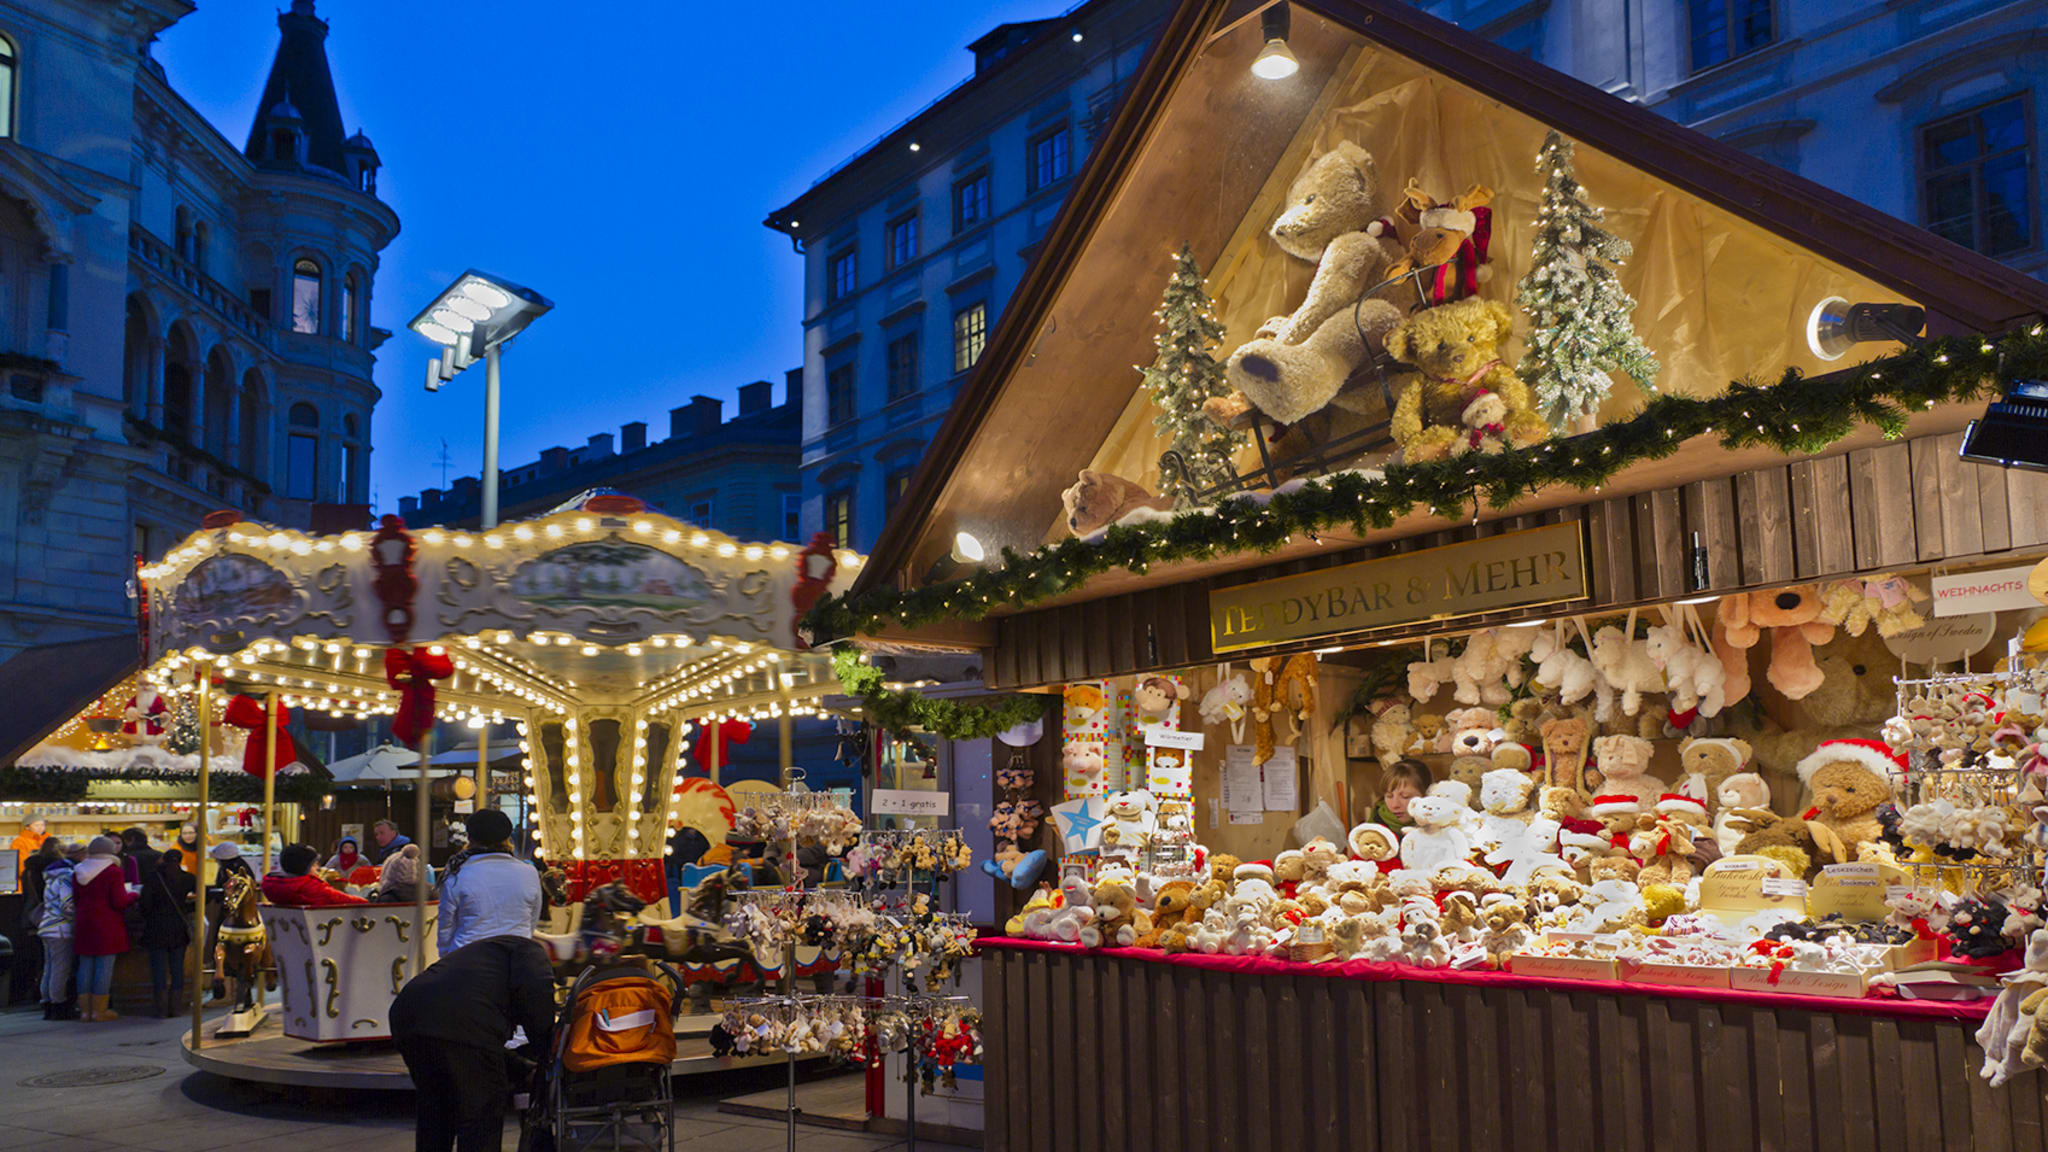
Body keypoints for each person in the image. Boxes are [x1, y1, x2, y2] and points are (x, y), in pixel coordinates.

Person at [389, 934, 555, 1152]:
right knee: (482, 1111)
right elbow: (539, 1014)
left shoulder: (490, 954)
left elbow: (473, 1051)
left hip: (408, 1014)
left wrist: (523, 1068)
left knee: (436, 1108)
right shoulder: (533, 953)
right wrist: (548, 1057)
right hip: (460, 1020)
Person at [436, 810, 542, 955]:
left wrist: (446, 957)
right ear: (508, 837)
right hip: (516, 956)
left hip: (468, 956)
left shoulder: (457, 874)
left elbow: (446, 926)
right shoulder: (529, 872)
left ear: (470, 838)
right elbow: (532, 920)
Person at [72, 836, 136, 1022]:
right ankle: (99, 1011)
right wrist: (133, 895)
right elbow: (119, 901)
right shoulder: (113, 871)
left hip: (84, 921)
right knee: (104, 966)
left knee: (85, 966)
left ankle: (85, 1011)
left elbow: (76, 899)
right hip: (107, 923)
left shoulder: (77, 871)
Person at [140, 847, 195, 1016]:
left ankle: (161, 1008)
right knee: (177, 968)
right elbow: (202, 898)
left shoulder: (153, 878)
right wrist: (186, 907)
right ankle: (176, 1008)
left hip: (156, 928)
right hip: (178, 927)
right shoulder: (188, 878)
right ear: (180, 860)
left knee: (158, 969)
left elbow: (145, 905)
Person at [35, 842, 82, 1020]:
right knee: (61, 969)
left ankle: (47, 1002)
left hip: (47, 926)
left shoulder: (50, 879)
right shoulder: (66, 878)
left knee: (49, 967)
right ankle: (59, 1004)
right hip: (61, 929)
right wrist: (74, 920)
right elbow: (68, 905)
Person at [261, 843, 369, 907]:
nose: (317, 868)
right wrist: (367, 902)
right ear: (304, 867)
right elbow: (342, 899)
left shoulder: (273, 886)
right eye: (314, 865)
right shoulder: (310, 887)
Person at [1371, 759, 1433, 831]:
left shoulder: (1441, 828)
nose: (1395, 805)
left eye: (1405, 796)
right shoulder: (1373, 827)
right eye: (1389, 796)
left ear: (1426, 795)